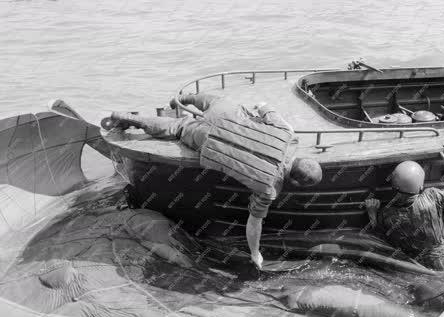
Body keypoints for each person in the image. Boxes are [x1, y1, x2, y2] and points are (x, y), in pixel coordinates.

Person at [104, 93, 322, 269]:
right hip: (211, 141)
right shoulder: (269, 188)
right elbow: (254, 224)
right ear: (296, 183)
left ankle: (186, 98)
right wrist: (255, 254)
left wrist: (266, 110)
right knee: (179, 128)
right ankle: (138, 121)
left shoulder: (285, 133)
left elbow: (263, 105)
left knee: (215, 101)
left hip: (228, 116)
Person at [364, 143, 444, 271]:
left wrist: (372, 213)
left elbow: (380, 239)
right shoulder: (432, 196)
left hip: (417, 265)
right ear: (420, 187)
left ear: (393, 186)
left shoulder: (387, 214)